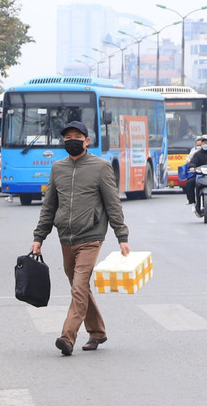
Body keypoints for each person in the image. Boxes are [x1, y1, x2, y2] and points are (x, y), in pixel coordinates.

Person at [30, 121, 130, 356]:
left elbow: (112, 204)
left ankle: (67, 337)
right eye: (67, 137)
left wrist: (121, 236)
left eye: (77, 136)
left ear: (87, 140)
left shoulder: (101, 167)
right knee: (81, 288)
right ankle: (97, 332)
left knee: (79, 286)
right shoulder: (58, 168)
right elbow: (49, 206)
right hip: (66, 237)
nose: (71, 140)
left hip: (91, 237)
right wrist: (39, 237)